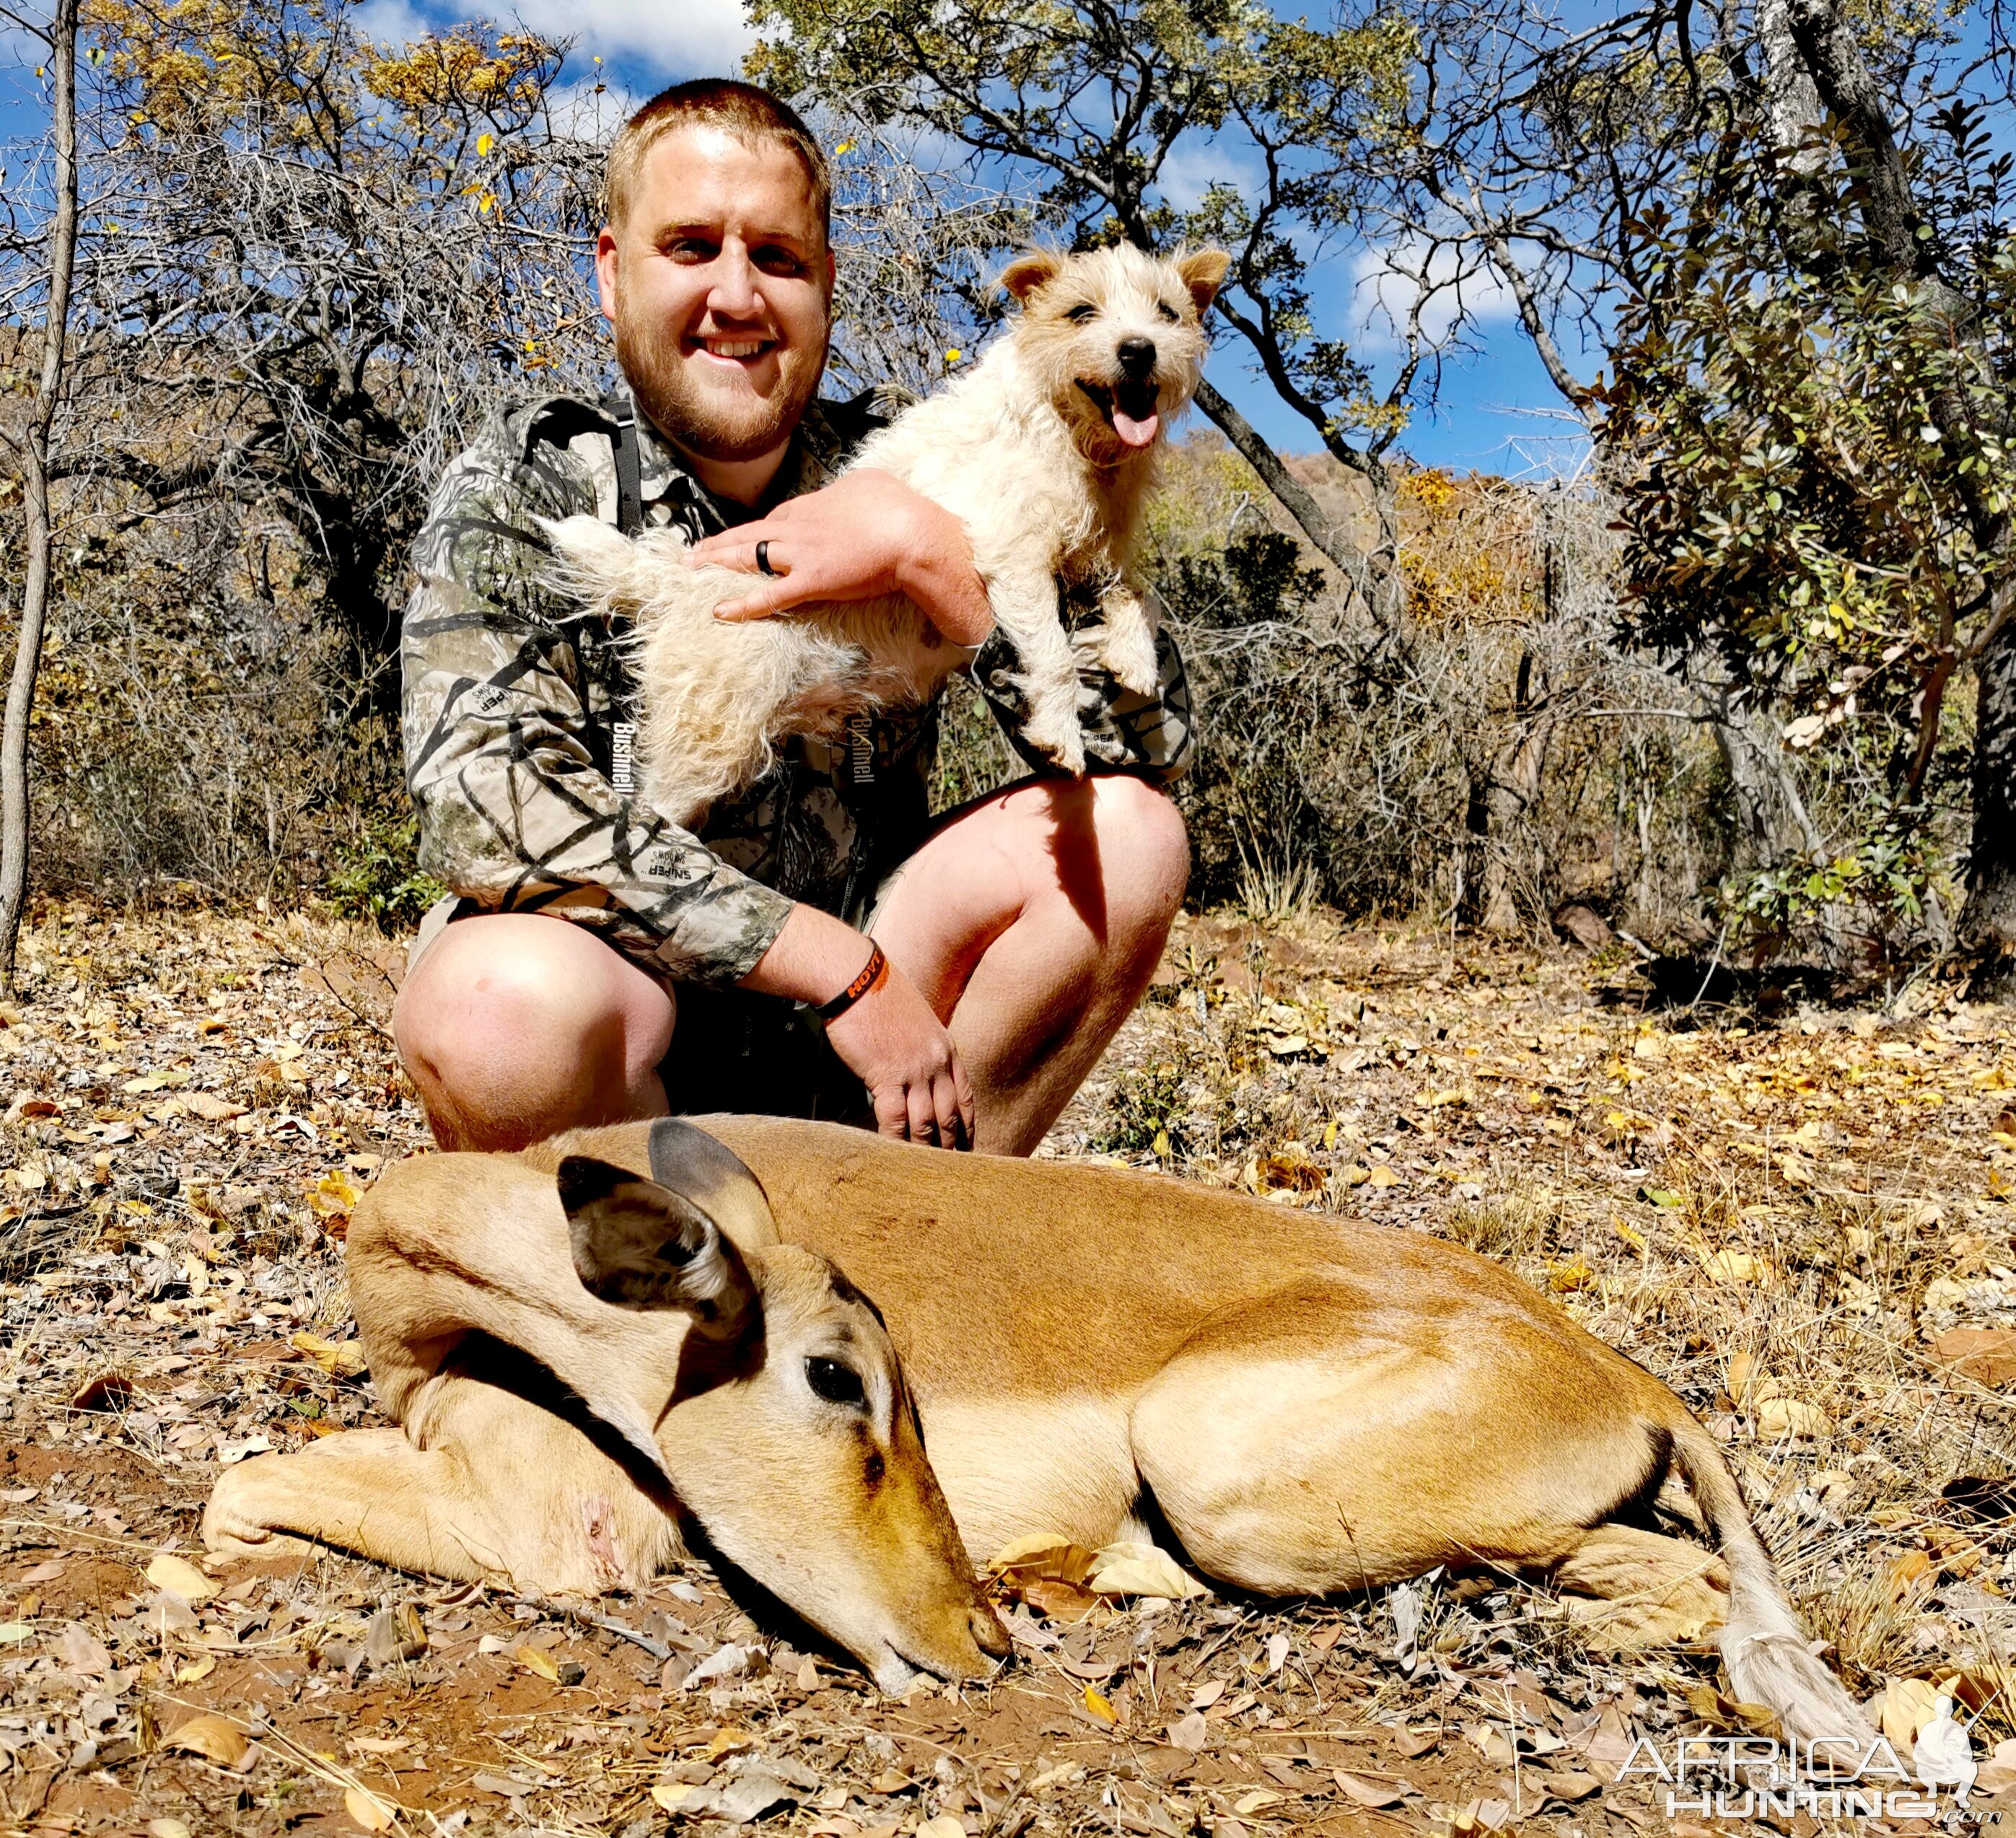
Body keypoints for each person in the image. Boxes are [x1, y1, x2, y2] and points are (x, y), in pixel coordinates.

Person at [393, 78, 1194, 1157]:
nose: (736, 297)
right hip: (646, 1023)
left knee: (1128, 837)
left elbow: (1149, 751)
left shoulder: (922, 457)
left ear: (824, 284)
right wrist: (833, 967)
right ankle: (648, 1303)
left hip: (876, 1034)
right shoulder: (529, 482)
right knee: (496, 1001)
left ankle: (917, 1247)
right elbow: (484, 806)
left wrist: (932, 560)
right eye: (689, 248)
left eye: (777, 258)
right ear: (610, 273)